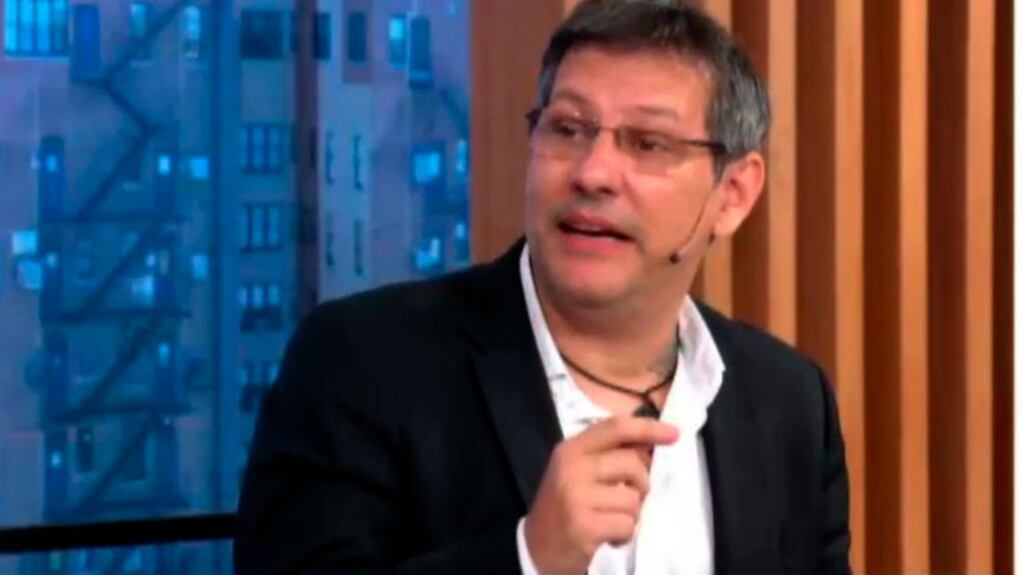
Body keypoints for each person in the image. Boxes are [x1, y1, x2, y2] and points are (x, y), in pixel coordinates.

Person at [234, 1, 852, 573]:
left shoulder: (790, 403)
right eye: (568, 129)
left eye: (648, 143)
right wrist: (529, 557)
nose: (593, 173)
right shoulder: (361, 364)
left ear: (733, 194)